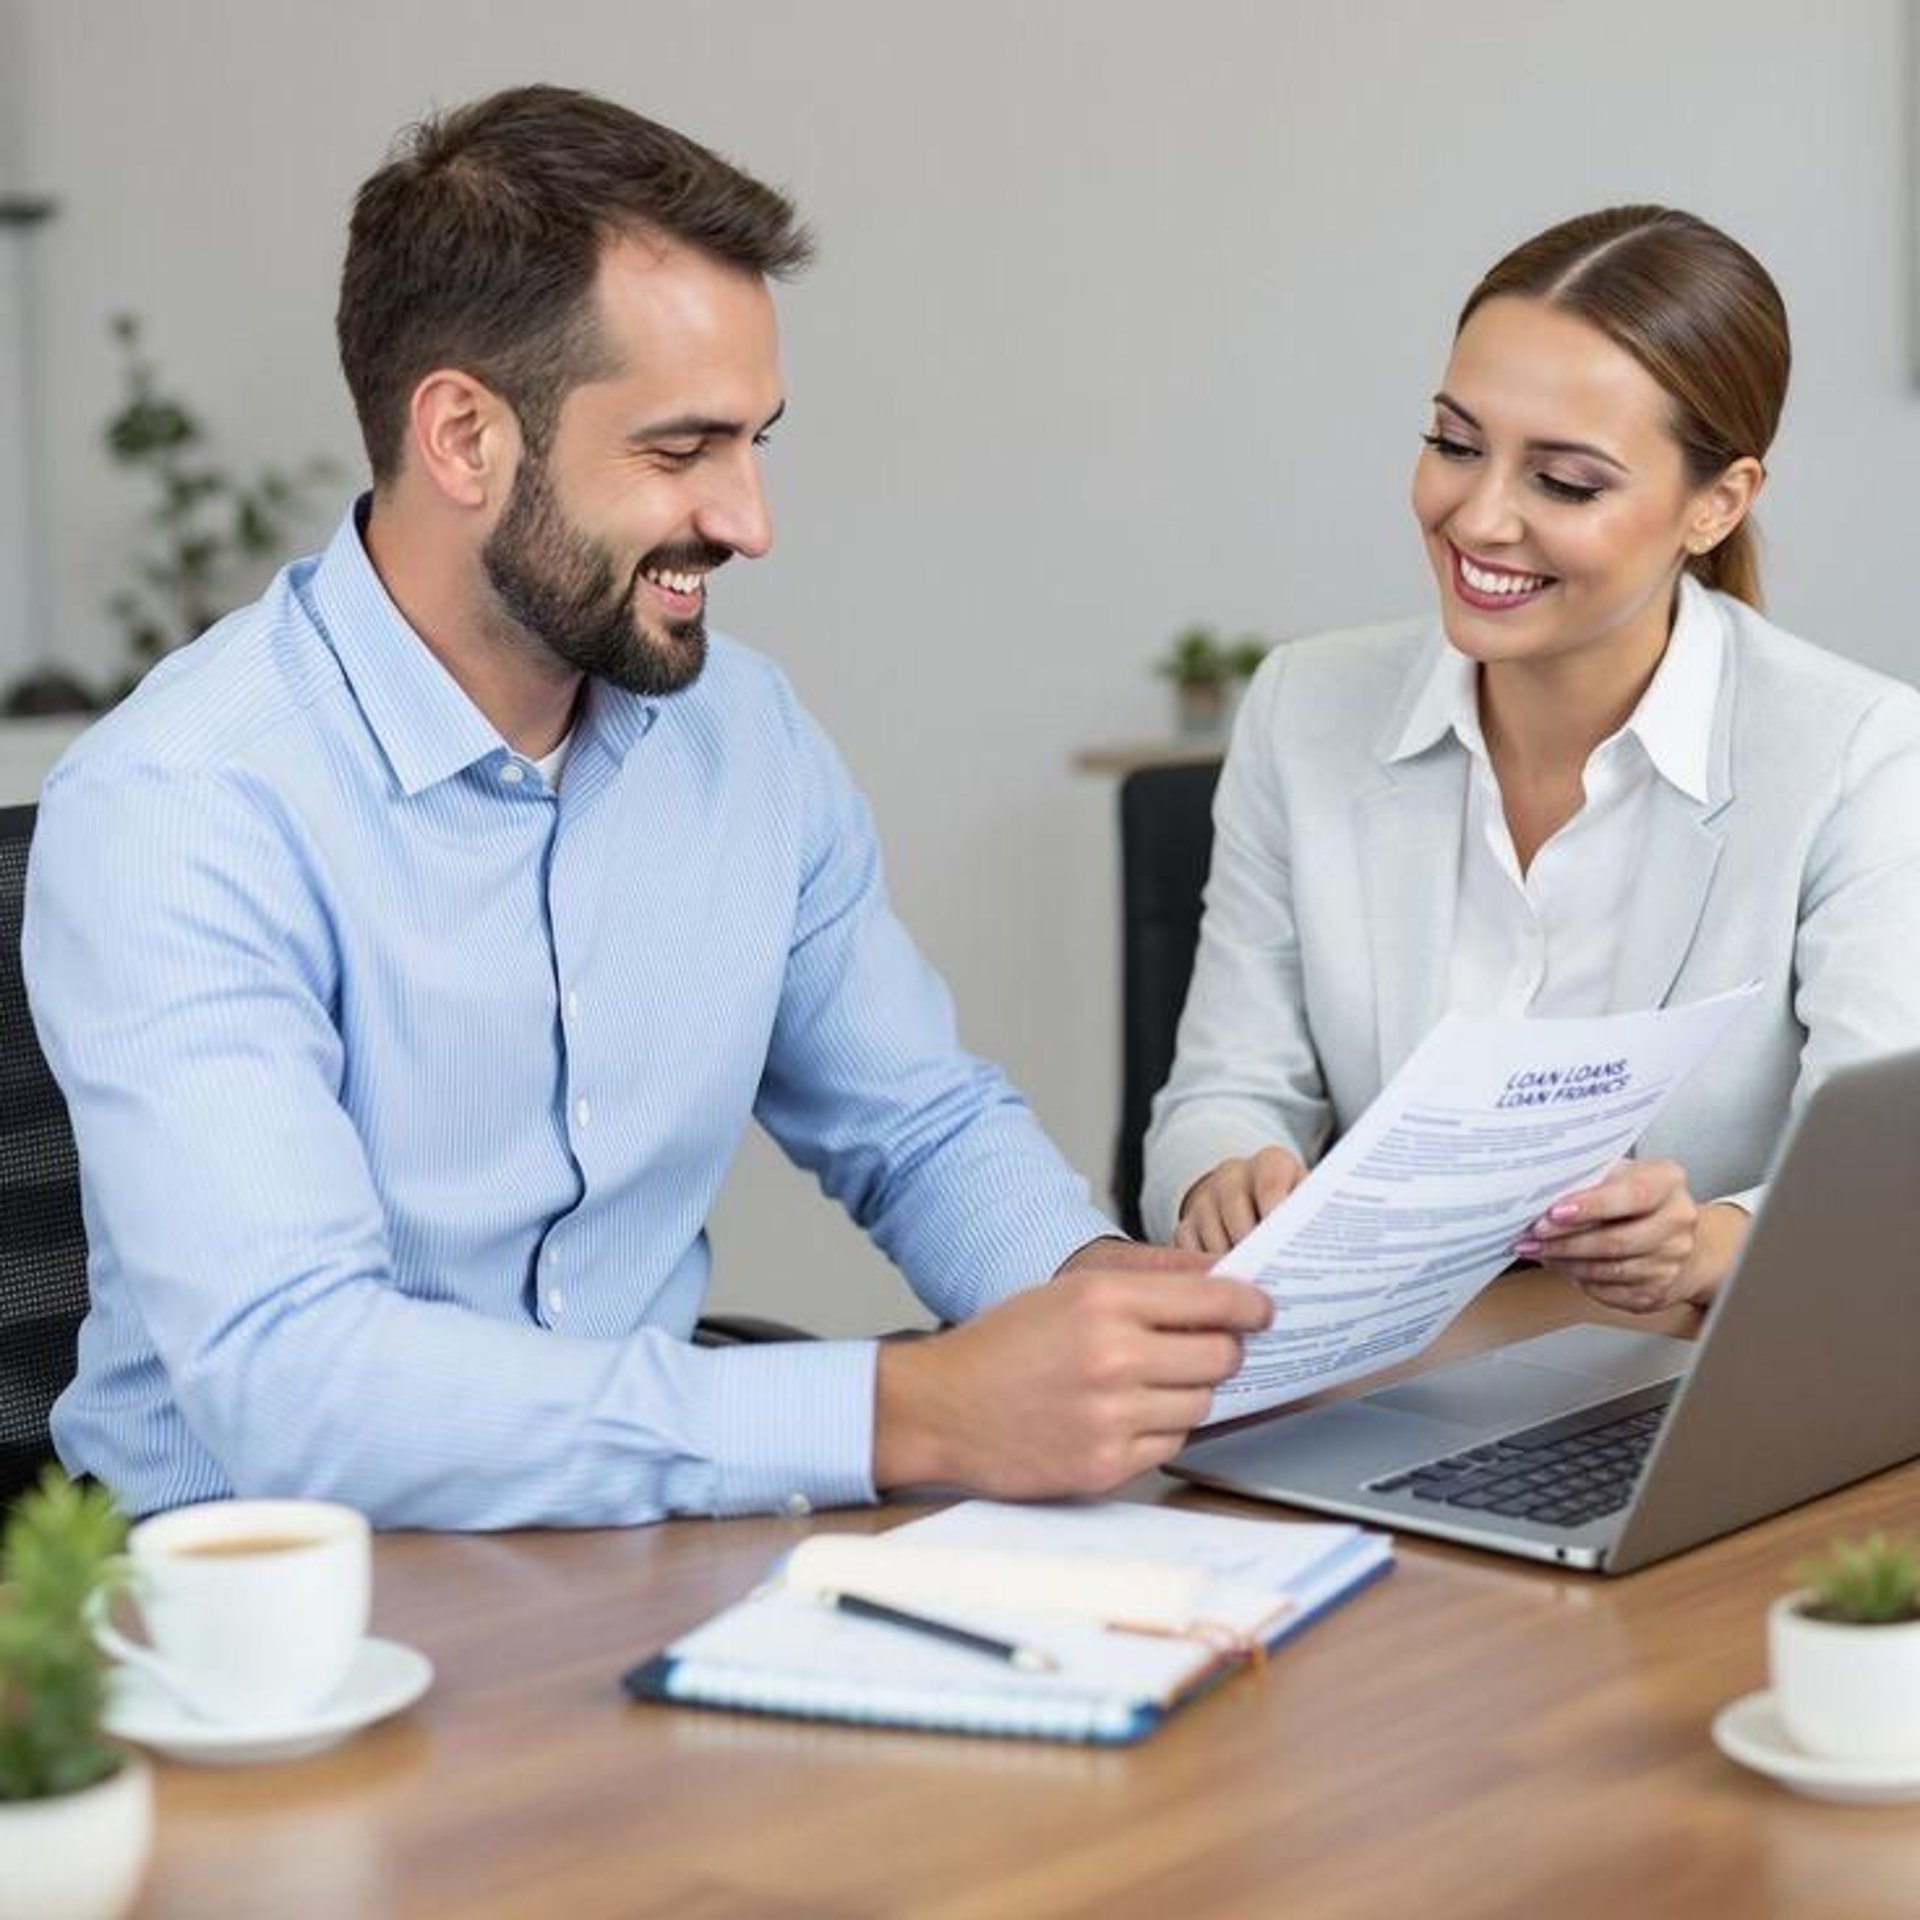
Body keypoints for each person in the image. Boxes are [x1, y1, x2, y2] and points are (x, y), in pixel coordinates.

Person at [25, 85, 1270, 1529]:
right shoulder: (183, 807)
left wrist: (1104, 1308)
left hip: (638, 1555)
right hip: (279, 1602)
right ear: (464, 438)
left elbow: (918, 1122)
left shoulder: (745, 735)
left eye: (756, 443)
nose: (750, 522)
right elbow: (300, 1385)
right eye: (682, 453)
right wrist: (912, 1410)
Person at [1144, 205, 1920, 1314]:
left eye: (1565, 482)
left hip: (1681, 1368)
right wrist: (1223, 1178)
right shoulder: (1304, 707)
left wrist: (1706, 1246)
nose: (1477, 517)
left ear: (1716, 504)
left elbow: (1882, 1180)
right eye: (1455, 445)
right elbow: (1223, 1090)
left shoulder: (1860, 754)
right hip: (1396, 1362)